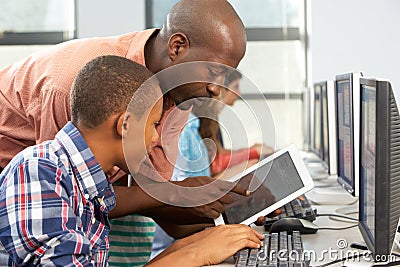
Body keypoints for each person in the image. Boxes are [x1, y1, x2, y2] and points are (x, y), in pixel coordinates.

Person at [0, 0, 248, 265]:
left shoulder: (178, 93)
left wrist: (230, 219)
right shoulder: (74, 88)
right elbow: (63, 192)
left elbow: (151, 203)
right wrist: (178, 201)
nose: (216, 89)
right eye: (215, 72)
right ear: (177, 46)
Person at [197, 71, 274, 177]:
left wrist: (250, 151)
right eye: (236, 87)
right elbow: (215, 164)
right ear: (222, 89)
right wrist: (252, 152)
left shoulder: (212, 119)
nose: (239, 93)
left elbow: (219, 154)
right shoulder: (206, 119)